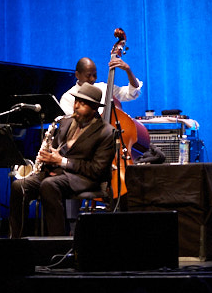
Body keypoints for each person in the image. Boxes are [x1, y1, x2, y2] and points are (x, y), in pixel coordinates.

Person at [9, 83, 115, 237]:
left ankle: (58, 241)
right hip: (57, 173)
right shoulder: (65, 122)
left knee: (49, 185)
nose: (76, 106)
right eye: (76, 101)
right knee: (19, 186)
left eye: (83, 103)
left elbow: (97, 170)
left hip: (83, 178)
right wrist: (48, 156)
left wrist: (61, 161)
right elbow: (57, 149)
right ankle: (17, 241)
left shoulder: (106, 132)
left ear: (94, 109)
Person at [58, 55, 142, 117]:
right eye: (88, 75)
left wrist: (128, 70)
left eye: (94, 75)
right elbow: (70, 126)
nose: (92, 79)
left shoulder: (104, 88)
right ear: (77, 75)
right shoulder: (68, 98)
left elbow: (131, 93)